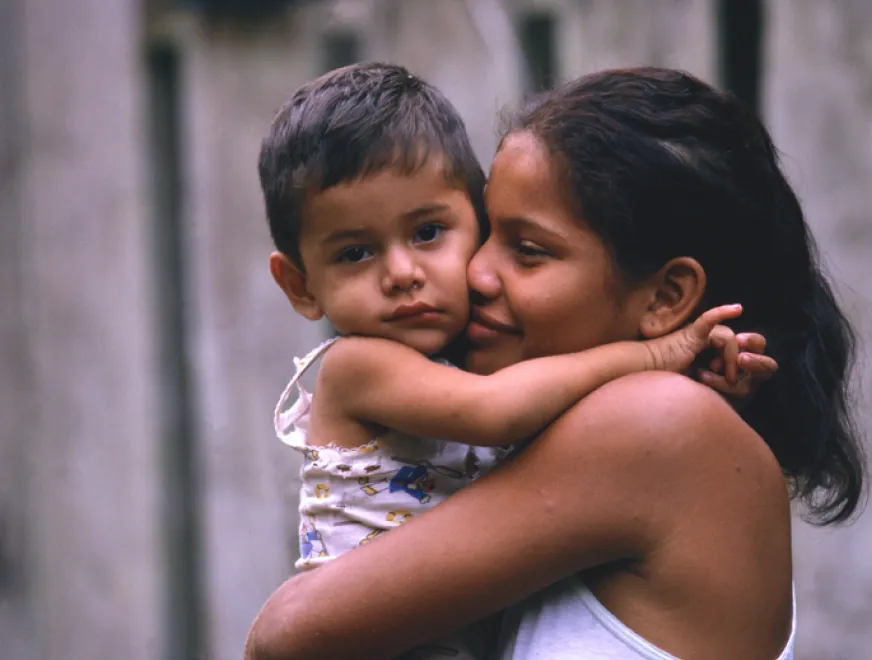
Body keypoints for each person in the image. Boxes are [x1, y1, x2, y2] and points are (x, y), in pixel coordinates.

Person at [254, 63, 779, 660]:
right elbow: (498, 413)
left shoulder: (658, 422)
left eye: (526, 251)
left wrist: (665, 368)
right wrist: (656, 358)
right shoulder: (365, 367)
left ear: (664, 298)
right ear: (299, 284)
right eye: (355, 252)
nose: (473, 273)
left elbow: (285, 635)